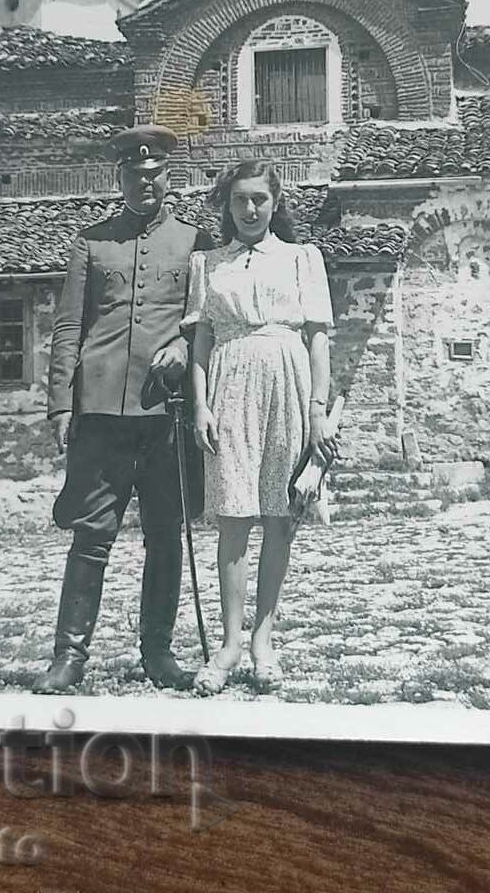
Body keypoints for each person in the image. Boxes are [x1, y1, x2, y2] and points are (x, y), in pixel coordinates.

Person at [34, 124, 214, 695]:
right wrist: (61, 402)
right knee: (90, 535)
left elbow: (203, 321)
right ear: (120, 179)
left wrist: (184, 349)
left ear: (168, 178)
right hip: (101, 411)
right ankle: (68, 657)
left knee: (165, 536)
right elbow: (69, 325)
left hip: (166, 412)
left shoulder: (195, 243)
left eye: (155, 175)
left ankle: (157, 653)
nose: (145, 184)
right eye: (134, 176)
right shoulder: (91, 242)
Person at [183, 160, 338, 695]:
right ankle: (228, 644)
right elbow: (200, 341)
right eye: (240, 200)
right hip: (229, 386)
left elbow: (318, 338)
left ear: (276, 204)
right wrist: (199, 406)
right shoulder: (207, 264)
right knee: (233, 515)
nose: (250, 210)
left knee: (280, 516)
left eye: (260, 200)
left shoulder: (302, 259)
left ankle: (263, 640)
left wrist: (318, 410)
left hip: (289, 384)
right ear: (226, 205)